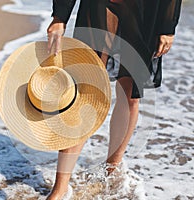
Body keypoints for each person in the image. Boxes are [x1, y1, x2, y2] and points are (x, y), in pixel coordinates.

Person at [46, 0, 182, 199]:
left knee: (129, 96)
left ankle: (112, 169)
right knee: (85, 92)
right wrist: (60, 16)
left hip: (146, 10)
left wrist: (168, 27)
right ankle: (60, 188)